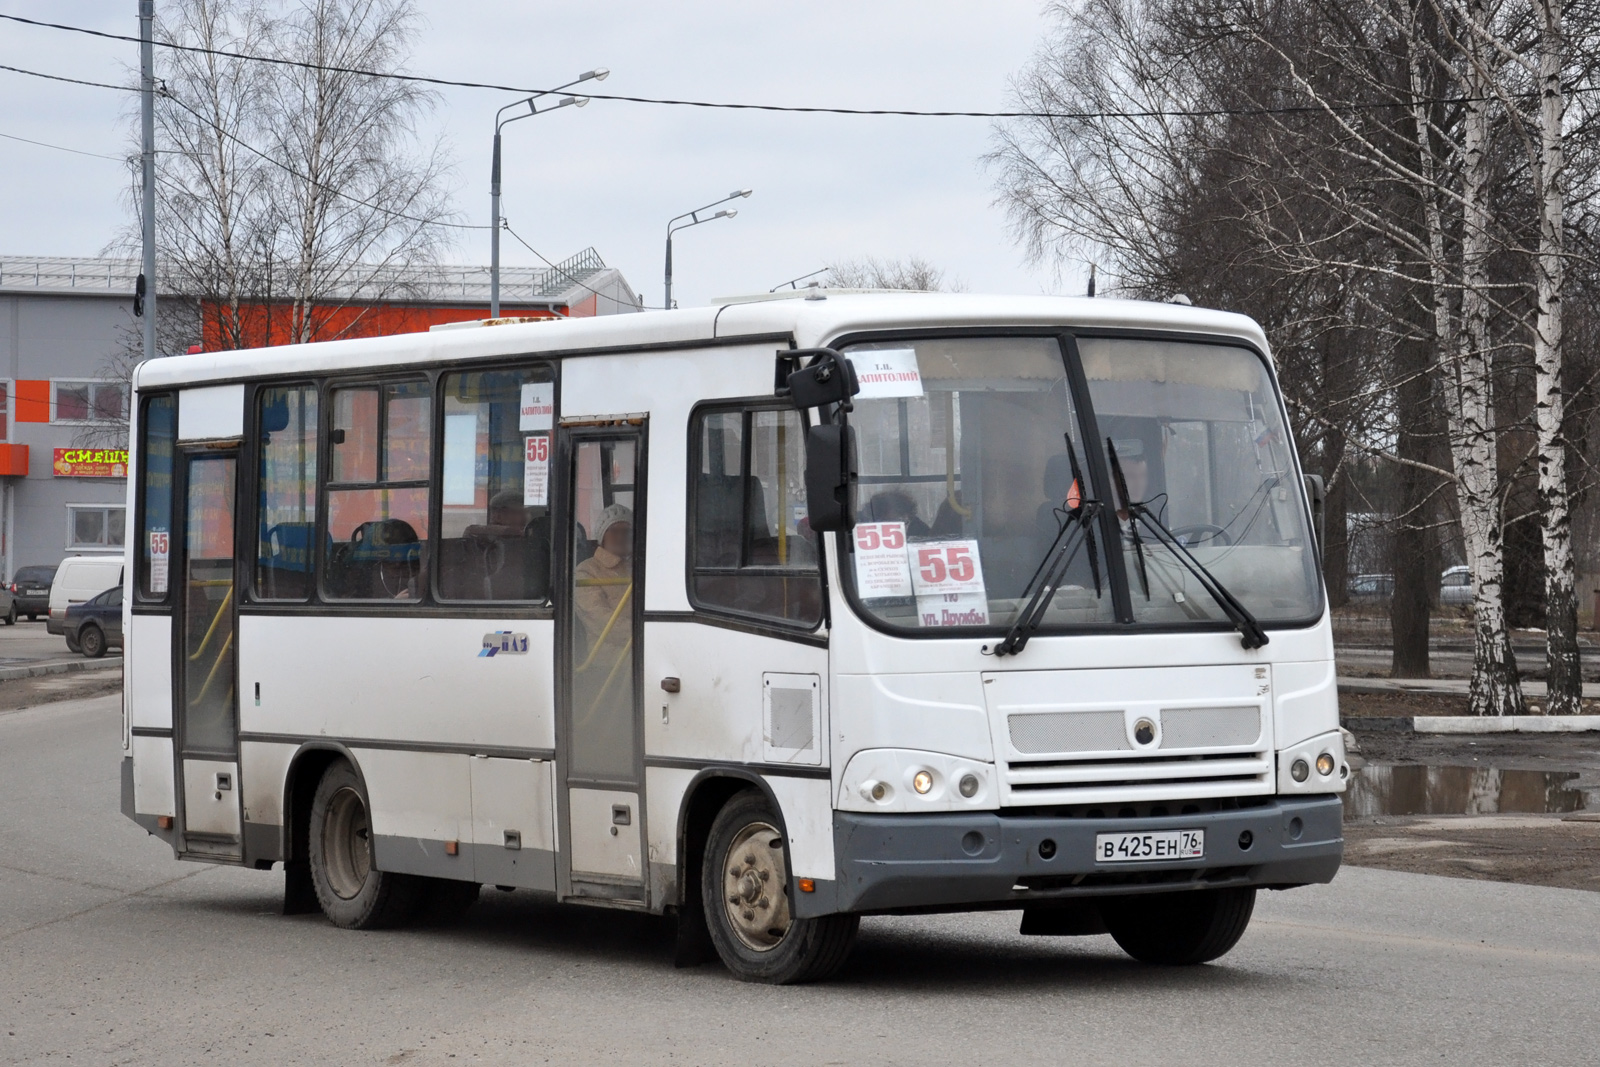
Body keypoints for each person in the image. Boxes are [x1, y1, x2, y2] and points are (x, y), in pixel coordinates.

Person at [574, 503, 633, 656]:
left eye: (626, 531)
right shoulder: (586, 571)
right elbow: (599, 619)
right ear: (602, 536)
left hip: (639, 651)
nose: (621, 537)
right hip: (608, 660)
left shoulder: (640, 568)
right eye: (613, 531)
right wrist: (644, 633)